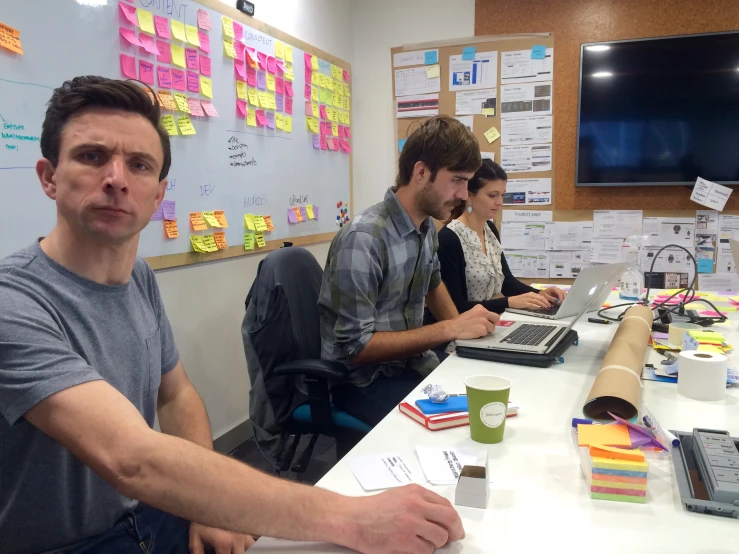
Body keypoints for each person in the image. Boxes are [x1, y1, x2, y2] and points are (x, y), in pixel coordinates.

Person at [0, 76, 465, 554]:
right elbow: (133, 459)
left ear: (158, 195)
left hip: (148, 512)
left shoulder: (137, 277)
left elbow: (176, 394)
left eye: (139, 165)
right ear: (48, 177)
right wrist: (352, 519)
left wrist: (207, 508)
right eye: (92, 156)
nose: (117, 178)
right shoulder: (14, 301)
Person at [318, 116, 500, 427]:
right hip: (362, 381)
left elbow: (433, 285)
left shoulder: (425, 227)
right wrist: (449, 330)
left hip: (409, 365)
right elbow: (356, 347)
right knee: (459, 428)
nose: (463, 194)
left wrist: (463, 335)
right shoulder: (364, 238)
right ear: (421, 172)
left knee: (488, 399)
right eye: (457, 180)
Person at [434, 159, 566, 318]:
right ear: (469, 195)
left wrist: (541, 294)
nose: (500, 202)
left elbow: (506, 282)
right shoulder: (449, 239)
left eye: (502, 195)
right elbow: (457, 307)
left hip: (485, 323)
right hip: (462, 328)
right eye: (492, 195)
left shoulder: (489, 228)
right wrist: (508, 303)